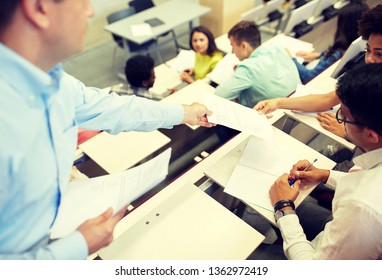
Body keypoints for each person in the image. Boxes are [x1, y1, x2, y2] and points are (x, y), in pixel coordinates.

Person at [0, 0, 214, 260]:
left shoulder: (55, 80)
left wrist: (184, 113)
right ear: (40, 8)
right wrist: (76, 247)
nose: (90, 12)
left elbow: (113, 109)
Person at [268, 63, 382, 259]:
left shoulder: (361, 207)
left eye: (344, 117)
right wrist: (326, 175)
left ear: (371, 136)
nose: (340, 122)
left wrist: (284, 207)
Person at [254, 4, 382, 139]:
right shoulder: (368, 77)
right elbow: (327, 99)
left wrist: (348, 134)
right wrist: (278, 102)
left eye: (379, 54)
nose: (369, 59)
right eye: (368, 50)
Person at [213, 20, 301, 142]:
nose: (232, 51)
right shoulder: (276, 48)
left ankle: (231, 146)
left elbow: (218, 96)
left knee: (218, 119)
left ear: (243, 46)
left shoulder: (248, 68)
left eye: (232, 46)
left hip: (269, 122)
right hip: (294, 110)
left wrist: (240, 73)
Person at [293, 2, 369, 84]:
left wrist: (291, 59)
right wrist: (317, 55)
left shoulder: (337, 55)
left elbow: (309, 77)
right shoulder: (359, 44)